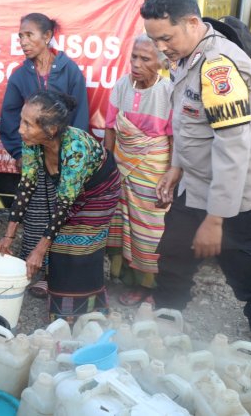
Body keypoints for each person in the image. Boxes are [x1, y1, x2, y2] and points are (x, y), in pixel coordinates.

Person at [141, 0, 251, 349]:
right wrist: (177, 166)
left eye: (165, 37)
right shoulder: (187, 54)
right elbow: (188, 123)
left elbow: (232, 147)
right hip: (195, 186)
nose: (160, 48)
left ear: (193, 22)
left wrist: (216, 220)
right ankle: (162, 342)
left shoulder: (218, 68)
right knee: (173, 261)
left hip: (237, 198)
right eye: (154, 40)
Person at [0, 90, 120, 324]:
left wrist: (39, 250)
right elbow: (26, 187)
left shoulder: (75, 149)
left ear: (51, 129)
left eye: (27, 124)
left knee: (82, 248)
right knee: (61, 247)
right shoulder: (33, 143)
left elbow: (63, 206)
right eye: (21, 120)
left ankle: (90, 312)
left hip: (101, 192)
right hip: (73, 193)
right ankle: (62, 317)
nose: (20, 129)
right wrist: (8, 236)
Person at [0, 12, 89, 298]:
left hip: (65, 159)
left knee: (64, 213)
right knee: (37, 212)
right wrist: (18, 151)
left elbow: (81, 117)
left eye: (29, 35)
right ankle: (36, 269)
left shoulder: (69, 70)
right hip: (33, 154)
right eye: (20, 37)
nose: (23, 42)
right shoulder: (19, 75)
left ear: (47, 36)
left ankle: (58, 273)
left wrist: (70, 159)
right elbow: (10, 116)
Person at [104, 34, 173, 306]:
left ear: (161, 62)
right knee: (121, 224)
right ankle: (126, 280)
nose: (136, 63)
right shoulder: (122, 85)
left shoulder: (168, 92)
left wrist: (170, 176)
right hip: (122, 165)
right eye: (134, 56)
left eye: (145, 58)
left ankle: (149, 287)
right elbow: (110, 127)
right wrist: (109, 164)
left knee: (149, 228)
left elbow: (173, 139)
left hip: (153, 170)